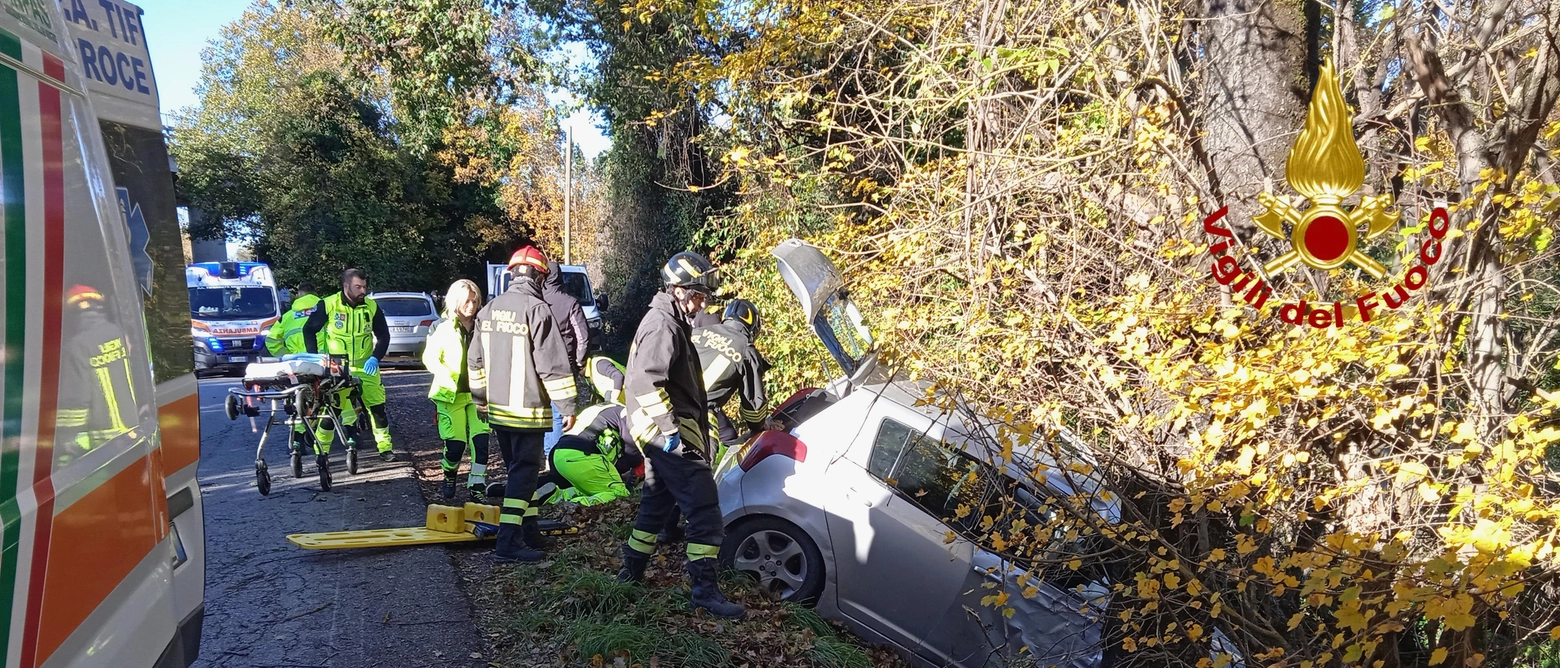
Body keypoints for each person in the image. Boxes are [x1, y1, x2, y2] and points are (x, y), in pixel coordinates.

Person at [615, 251, 745, 620]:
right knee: (705, 510)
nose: (702, 304)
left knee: (656, 503)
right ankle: (705, 593)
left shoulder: (668, 319)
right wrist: (671, 430)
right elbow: (644, 380)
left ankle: (631, 572)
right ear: (679, 289)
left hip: (658, 434)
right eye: (698, 295)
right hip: (668, 436)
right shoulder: (664, 325)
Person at [470, 246, 579, 562]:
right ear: (539, 276)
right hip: (528, 412)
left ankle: (528, 533)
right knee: (523, 475)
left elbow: (475, 362)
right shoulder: (537, 310)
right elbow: (554, 366)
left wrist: (480, 402)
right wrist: (568, 406)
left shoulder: (488, 310)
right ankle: (507, 544)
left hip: (497, 412)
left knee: (521, 475)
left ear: (512, 274)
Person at [304, 268, 395, 474]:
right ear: (346, 286)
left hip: (366, 366)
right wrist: (315, 359)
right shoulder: (328, 304)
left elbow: (383, 335)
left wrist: (375, 357)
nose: (363, 290)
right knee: (333, 410)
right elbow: (309, 330)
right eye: (358, 287)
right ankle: (322, 450)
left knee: (378, 408)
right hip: (338, 368)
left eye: (364, 286)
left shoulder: (371, 307)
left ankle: (385, 448)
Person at [425, 279, 491, 501]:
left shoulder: (485, 326)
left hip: (480, 394)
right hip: (450, 394)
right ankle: (449, 473)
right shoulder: (441, 327)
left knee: (481, 442)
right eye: (466, 302)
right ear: (455, 302)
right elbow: (430, 359)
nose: (471, 306)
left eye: (474, 301)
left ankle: (477, 486)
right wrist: (446, 376)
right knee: (456, 445)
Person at [56, 285, 137, 461]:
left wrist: (65, 438)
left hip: (103, 441)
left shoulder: (77, 345)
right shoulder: (117, 333)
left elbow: (76, 397)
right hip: (133, 428)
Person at [693, 298, 770, 463]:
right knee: (697, 478)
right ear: (753, 327)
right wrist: (760, 427)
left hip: (664, 411)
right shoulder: (746, 350)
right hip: (699, 421)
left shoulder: (697, 333)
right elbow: (754, 409)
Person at [265, 281, 332, 464]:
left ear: (299, 295)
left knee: (297, 403)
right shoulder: (324, 310)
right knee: (323, 400)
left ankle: (297, 442)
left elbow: (271, 341)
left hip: (294, 367)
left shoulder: (286, 317)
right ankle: (317, 436)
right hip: (320, 363)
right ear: (315, 294)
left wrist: (284, 356)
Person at [534, 402, 642, 507]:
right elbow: (632, 451)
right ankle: (568, 502)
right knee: (620, 494)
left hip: (559, 454)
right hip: (582, 456)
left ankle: (552, 494)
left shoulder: (609, 408)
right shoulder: (630, 416)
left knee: (584, 485)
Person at [541, 261, 590, 456]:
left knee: (540, 413)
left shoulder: (535, 301)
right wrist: (579, 362)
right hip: (563, 367)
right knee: (559, 414)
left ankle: (544, 455)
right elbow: (583, 337)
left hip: (536, 366)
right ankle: (554, 458)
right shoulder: (570, 303)